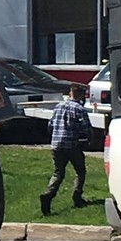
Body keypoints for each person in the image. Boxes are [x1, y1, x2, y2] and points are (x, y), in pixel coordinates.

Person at [41, 84, 93, 215]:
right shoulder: (79, 109)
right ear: (80, 95)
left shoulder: (58, 106)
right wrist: (89, 138)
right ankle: (77, 197)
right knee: (80, 171)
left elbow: (50, 125)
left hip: (56, 145)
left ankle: (48, 195)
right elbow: (86, 127)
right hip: (71, 145)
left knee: (58, 173)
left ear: (70, 93)